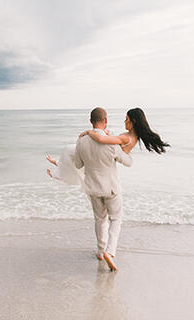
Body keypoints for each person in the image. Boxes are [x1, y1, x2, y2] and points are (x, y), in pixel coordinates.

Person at [73, 107, 132, 271]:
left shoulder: (82, 141)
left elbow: (78, 164)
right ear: (105, 121)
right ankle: (110, 252)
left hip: (93, 188)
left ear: (90, 121)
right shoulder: (111, 141)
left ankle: (100, 251)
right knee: (115, 219)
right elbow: (127, 162)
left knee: (100, 220)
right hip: (111, 188)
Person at [79, 107, 170, 154]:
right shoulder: (133, 136)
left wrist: (89, 132)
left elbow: (101, 140)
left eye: (126, 119)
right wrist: (108, 135)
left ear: (133, 121)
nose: (124, 121)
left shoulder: (126, 138)